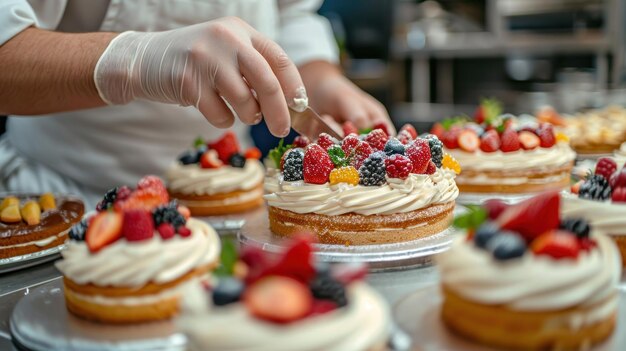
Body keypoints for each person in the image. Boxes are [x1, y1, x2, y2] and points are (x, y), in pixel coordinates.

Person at [0, 0, 393, 205]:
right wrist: (134, 59)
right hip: (67, 199)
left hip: (231, 194)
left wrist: (319, 78)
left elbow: (290, 12)